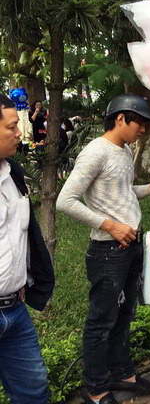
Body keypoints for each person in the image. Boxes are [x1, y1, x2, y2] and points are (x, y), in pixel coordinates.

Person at [57, 94, 150, 404]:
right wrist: (110, 225)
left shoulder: (123, 151)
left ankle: (123, 374)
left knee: (125, 314)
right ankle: (95, 389)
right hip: (107, 252)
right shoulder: (95, 152)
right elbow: (65, 201)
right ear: (121, 118)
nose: (144, 130)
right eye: (140, 122)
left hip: (130, 246)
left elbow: (122, 192)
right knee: (102, 320)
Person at [0, 93, 55, 404]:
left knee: (33, 392)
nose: (20, 132)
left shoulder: (13, 174)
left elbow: (23, 235)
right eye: (11, 127)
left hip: (14, 311)